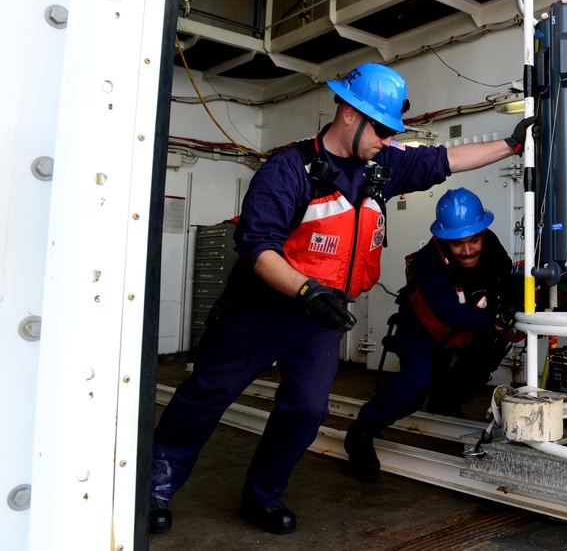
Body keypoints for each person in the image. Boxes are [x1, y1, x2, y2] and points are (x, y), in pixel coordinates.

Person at [149, 63, 536, 535]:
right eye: (382, 128)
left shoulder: (382, 167)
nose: (388, 140)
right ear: (350, 114)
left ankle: (263, 497)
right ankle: (153, 490)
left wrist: (511, 145)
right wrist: (307, 290)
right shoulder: (288, 170)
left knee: (308, 409)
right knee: (206, 396)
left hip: (319, 317)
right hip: (263, 309)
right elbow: (257, 247)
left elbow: (444, 160)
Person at [344, 188, 524, 481]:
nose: (468, 250)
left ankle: (446, 404)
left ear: (483, 231)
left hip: (468, 323)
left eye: (474, 240)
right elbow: (448, 312)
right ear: (442, 239)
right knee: (415, 384)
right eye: (457, 244)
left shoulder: (491, 246)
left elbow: (505, 283)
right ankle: (361, 433)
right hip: (423, 326)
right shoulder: (428, 262)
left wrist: (513, 310)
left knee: (483, 360)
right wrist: (495, 322)